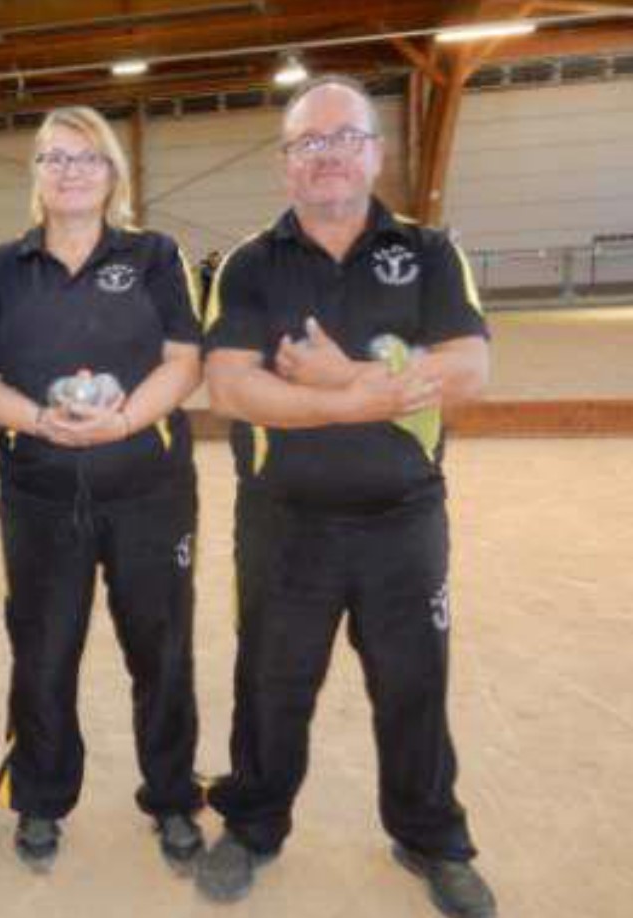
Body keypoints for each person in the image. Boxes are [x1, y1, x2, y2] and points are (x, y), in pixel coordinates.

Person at [197, 75, 496, 918]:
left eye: (344, 138)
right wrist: (360, 397)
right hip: (283, 525)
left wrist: (347, 373)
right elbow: (231, 389)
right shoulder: (250, 265)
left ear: (375, 150)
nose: (327, 156)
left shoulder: (431, 252)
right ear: (286, 164)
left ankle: (431, 836)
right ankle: (254, 825)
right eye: (308, 143)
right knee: (270, 684)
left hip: (404, 520)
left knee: (413, 684)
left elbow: (469, 368)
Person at [0, 106, 204, 874]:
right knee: (43, 651)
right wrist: (40, 421)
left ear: (111, 173)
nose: (70, 171)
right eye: (53, 158)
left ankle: (170, 795)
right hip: (38, 496)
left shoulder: (155, 255)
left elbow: (184, 360)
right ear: (35, 173)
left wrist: (125, 420)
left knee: (161, 652)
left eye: (86, 157)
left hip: (149, 492)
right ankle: (40, 796)